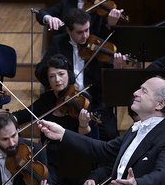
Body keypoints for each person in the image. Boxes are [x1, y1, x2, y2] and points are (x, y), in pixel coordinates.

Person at [12, 54, 97, 185]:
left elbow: (89, 140)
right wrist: (9, 119)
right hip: (52, 160)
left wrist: (84, 125)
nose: (58, 80)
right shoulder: (46, 101)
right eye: (52, 77)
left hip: (77, 159)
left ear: (68, 74)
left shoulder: (82, 101)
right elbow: (24, 115)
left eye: (61, 74)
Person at [36, 8, 124, 141]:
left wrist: (116, 68)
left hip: (95, 101)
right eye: (79, 32)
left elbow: (109, 81)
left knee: (110, 134)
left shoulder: (98, 44)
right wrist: (57, 77)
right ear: (68, 30)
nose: (85, 36)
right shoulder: (59, 42)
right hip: (68, 100)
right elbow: (40, 71)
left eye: (87, 30)